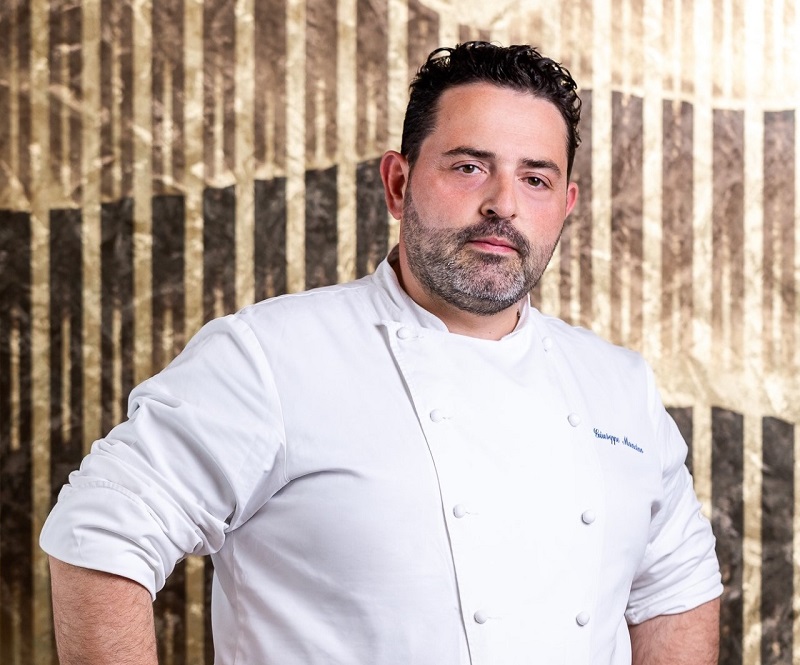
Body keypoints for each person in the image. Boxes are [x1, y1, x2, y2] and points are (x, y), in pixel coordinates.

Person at [41, 41, 722, 664]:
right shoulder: (271, 357)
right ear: (398, 183)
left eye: (535, 179)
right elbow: (103, 528)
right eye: (469, 167)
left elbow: (678, 588)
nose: (503, 204)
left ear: (565, 205)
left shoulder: (618, 385)